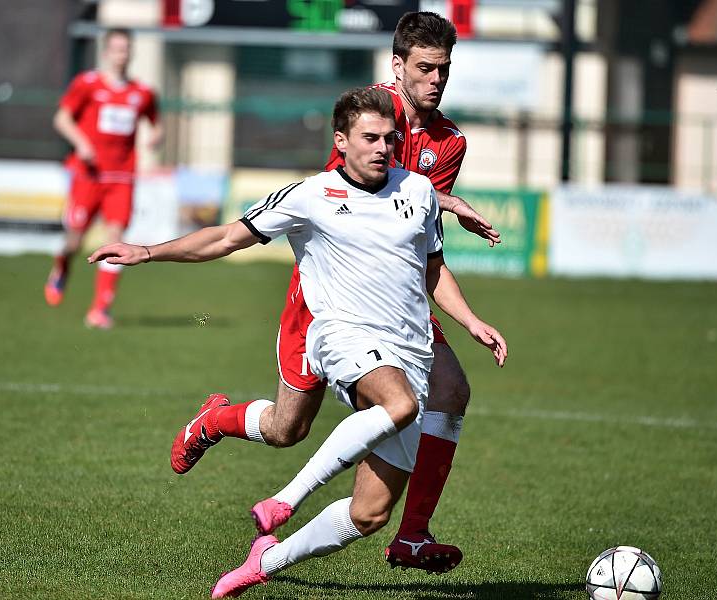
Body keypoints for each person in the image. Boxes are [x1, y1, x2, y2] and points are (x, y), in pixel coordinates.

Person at [88, 87, 506, 599]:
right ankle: (285, 499)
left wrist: (470, 321)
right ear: (341, 140)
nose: (382, 148)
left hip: (411, 350)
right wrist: (147, 252)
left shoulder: (417, 192)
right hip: (342, 337)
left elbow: (433, 270)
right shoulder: (309, 196)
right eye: (370, 138)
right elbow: (225, 238)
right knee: (397, 403)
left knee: (369, 513)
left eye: (389, 139)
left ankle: (265, 561)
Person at [170, 11, 496, 573]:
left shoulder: (449, 142)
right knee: (286, 429)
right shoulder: (374, 110)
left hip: (395, 294)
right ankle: (212, 422)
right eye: (425, 68)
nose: (436, 79)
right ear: (398, 68)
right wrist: (452, 203)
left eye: (444, 69)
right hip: (326, 297)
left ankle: (412, 532)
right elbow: (360, 185)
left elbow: (415, 217)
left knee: (451, 390)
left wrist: (466, 312)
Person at [44, 28, 163, 329]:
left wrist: (155, 138)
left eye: (126, 49)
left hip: (122, 178)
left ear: (131, 52)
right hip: (89, 175)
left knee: (115, 241)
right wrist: (82, 143)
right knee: (74, 240)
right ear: (106, 51)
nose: (121, 54)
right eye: (116, 49)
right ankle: (61, 267)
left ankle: (100, 309)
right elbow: (62, 118)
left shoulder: (142, 93)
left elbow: (157, 124)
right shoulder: (87, 84)